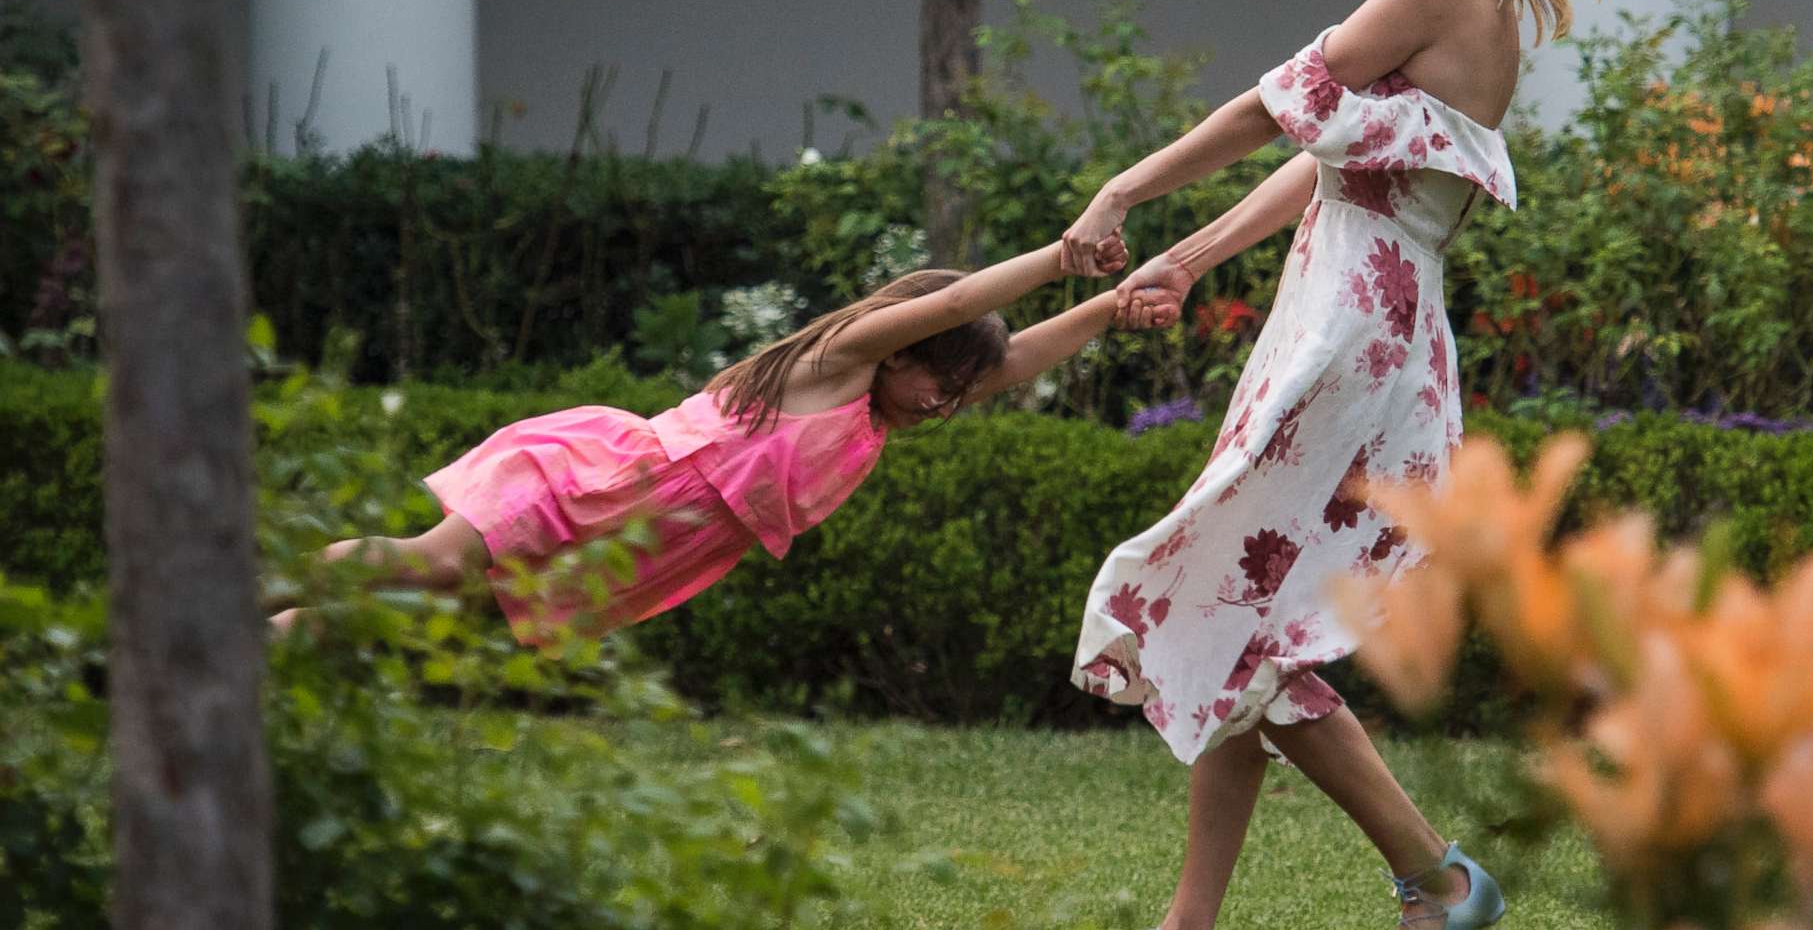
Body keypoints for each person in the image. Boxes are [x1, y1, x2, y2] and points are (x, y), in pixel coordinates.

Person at [1060, 0, 1627, 930]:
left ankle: (1439, 879)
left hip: (1353, 329)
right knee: (1241, 611)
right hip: (1358, 311)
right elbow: (1328, 163)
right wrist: (1187, 254)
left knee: (1240, 617)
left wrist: (1123, 191)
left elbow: (1276, 111)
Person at [272, 237, 1166, 643]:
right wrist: (1062, 257)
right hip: (601, 484)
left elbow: (1006, 360)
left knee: (431, 612)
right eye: (939, 380)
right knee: (431, 567)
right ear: (899, 352)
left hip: (636, 539)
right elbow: (955, 306)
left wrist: (1105, 311)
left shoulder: (875, 415)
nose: (946, 404)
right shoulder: (840, 364)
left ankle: (258, 651)